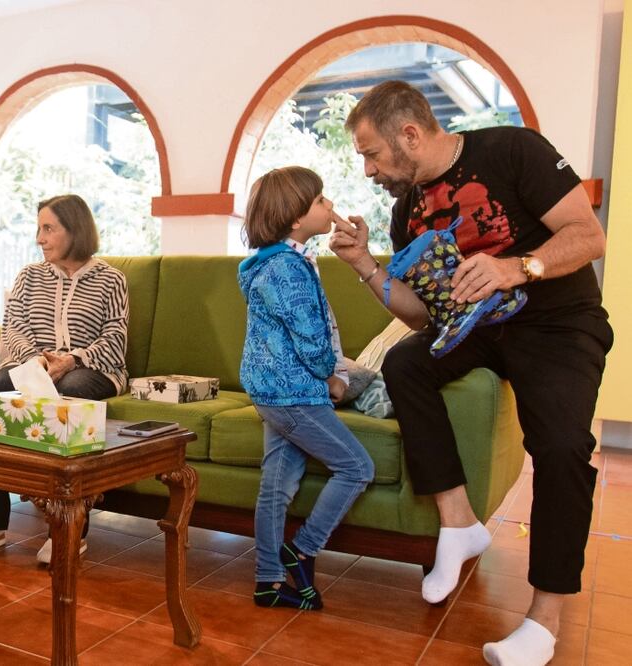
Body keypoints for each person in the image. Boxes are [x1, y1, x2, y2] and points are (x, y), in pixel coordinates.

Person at [330, 81, 611, 665]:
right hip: (476, 329)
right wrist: (364, 265)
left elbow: (589, 236)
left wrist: (517, 268)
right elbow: (420, 313)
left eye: (371, 153)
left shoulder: (513, 150)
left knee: (561, 448)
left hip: (558, 323)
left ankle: (544, 618)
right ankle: (458, 523)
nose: (367, 170)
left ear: (409, 134)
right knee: (408, 360)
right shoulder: (406, 210)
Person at [0, 194, 128, 564]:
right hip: (31, 365)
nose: (40, 237)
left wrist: (72, 359)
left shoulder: (111, 279)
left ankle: (69, 529)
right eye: (39, 228)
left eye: (49, 228)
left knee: (71, 391)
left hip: (89, 369)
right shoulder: (28, 276)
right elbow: (13, 329)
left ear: (74, 230)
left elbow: (115, 338)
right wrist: (35, 360)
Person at [238, 167, 374, 610]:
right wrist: (334, 378)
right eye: (320, 201)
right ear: (296, 217)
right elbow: (313, 340)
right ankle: (302, 551)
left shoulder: (277, 261)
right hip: (294, 393)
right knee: (356, 467)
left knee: (275, 487)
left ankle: (267, 581)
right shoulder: (287, 270)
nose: (329, 206)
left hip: (274, 391)